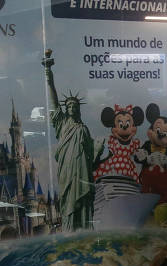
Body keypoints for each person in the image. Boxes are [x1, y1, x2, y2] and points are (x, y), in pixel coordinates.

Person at [42, 48, 104, 232]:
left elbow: (91, 160)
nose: (70, 106)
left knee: (84, 201)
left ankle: (85, 228)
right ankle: (69, 231)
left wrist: (98, 150)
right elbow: (53, 102)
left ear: (78, 108)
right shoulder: (61, 124)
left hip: (83, 172)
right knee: (69, 199)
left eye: (73, 105)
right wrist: (48, 74)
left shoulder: (84, 129)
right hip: (67, 171)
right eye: (68, 105)